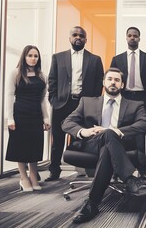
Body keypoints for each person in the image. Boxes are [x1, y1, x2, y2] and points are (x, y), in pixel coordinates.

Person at [62, 68, 146, 224]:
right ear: (104, 82)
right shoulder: (87, 102)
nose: (113, 82)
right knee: (107, 137)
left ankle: (92, 203)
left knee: (108, 142)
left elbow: (145, 124)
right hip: (91, 143)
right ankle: (130, 179)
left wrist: (116, 131)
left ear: (122, 84)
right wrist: (83, 131)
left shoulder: (135, 104)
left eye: (117, 80)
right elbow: (67, 122)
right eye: (110, 79)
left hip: (118, 146)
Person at [47, 26, 104, 181]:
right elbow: (52, 81)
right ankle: (54, 171)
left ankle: (83, 170)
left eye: (81, 35)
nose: (78, 37)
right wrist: (54, 100)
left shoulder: (95, 59)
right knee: (57, 139)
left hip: (84, 105)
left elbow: (99, 83)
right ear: (70, 38)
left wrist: (93, 103)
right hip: (62, 104)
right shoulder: (58, 58)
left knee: (85, 137)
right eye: (75, 35)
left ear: (86, 39)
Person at [110, 26, 146, 179]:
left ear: (139, 38)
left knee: (141, 133)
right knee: (121, 130)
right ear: (126, 38)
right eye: (130, 35)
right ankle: (118, 168)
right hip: (124, 96)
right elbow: (113, 79)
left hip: (143, 98)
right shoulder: (117, 59)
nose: (132, 38)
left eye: (135, 35)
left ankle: (142, 170)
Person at [6, 45, 51, 192]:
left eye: (35, 56)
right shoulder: (16, 73)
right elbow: (9, 96)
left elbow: (43, 99)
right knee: (20, 146)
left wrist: (46, 118)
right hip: (20, 115)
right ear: (24, 57)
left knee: (35, 146)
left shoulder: (42, 75)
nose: (33, 58)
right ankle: (23, 178)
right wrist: (10, 118)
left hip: (36, 115)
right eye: (30, 55)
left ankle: (33, 175)